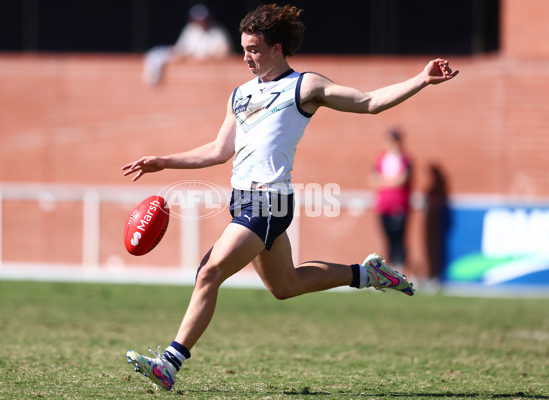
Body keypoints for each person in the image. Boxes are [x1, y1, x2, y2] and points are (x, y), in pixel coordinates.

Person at [123, 3, 458, 391]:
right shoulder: (241, 94)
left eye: (255, 49)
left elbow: (369, 102)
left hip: (269, 203)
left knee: (209, 273)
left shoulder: (305, 86)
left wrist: (421, 78)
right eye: (244, 48)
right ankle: (368, 274)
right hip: (242, 201)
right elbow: (218, 150)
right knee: (285, 286)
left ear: (278, 48)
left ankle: (169, 363)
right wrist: (164, 161)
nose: (247, 57)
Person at [142, 4, 233, 85]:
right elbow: (181, 49)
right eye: (198, 19)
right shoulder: (190, 29)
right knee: (155, 53)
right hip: (186, 60)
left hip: (209, 69)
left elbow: (224, 52)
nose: (201, 22)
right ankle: (152, 80)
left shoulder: (218, 31)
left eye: (203, 19)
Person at [369, 129, 412, 274]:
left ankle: (401, 270)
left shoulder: (405, 159)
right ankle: (390, 271)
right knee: (387, 238)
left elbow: (402, 180)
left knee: (399, 239)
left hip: (399, 205)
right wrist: (390, 181)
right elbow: (372, 179)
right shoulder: (381, 159)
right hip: (383, 205)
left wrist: (384, 181)